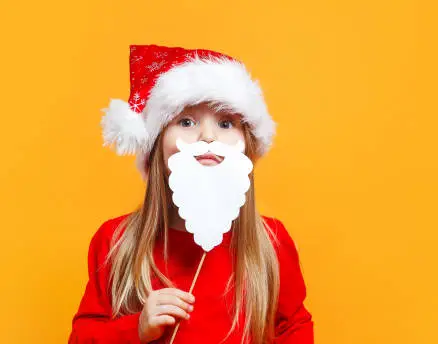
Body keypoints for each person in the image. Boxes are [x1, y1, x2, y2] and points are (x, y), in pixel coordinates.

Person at [68, 44, 314, 344]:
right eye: (186, 122)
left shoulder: (271, 242)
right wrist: (136, 328)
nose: (208, 137)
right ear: (156, 144)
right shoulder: (115, 241)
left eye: (226, 123)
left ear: (247, 144)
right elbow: (82, 338)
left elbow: (294, 328)